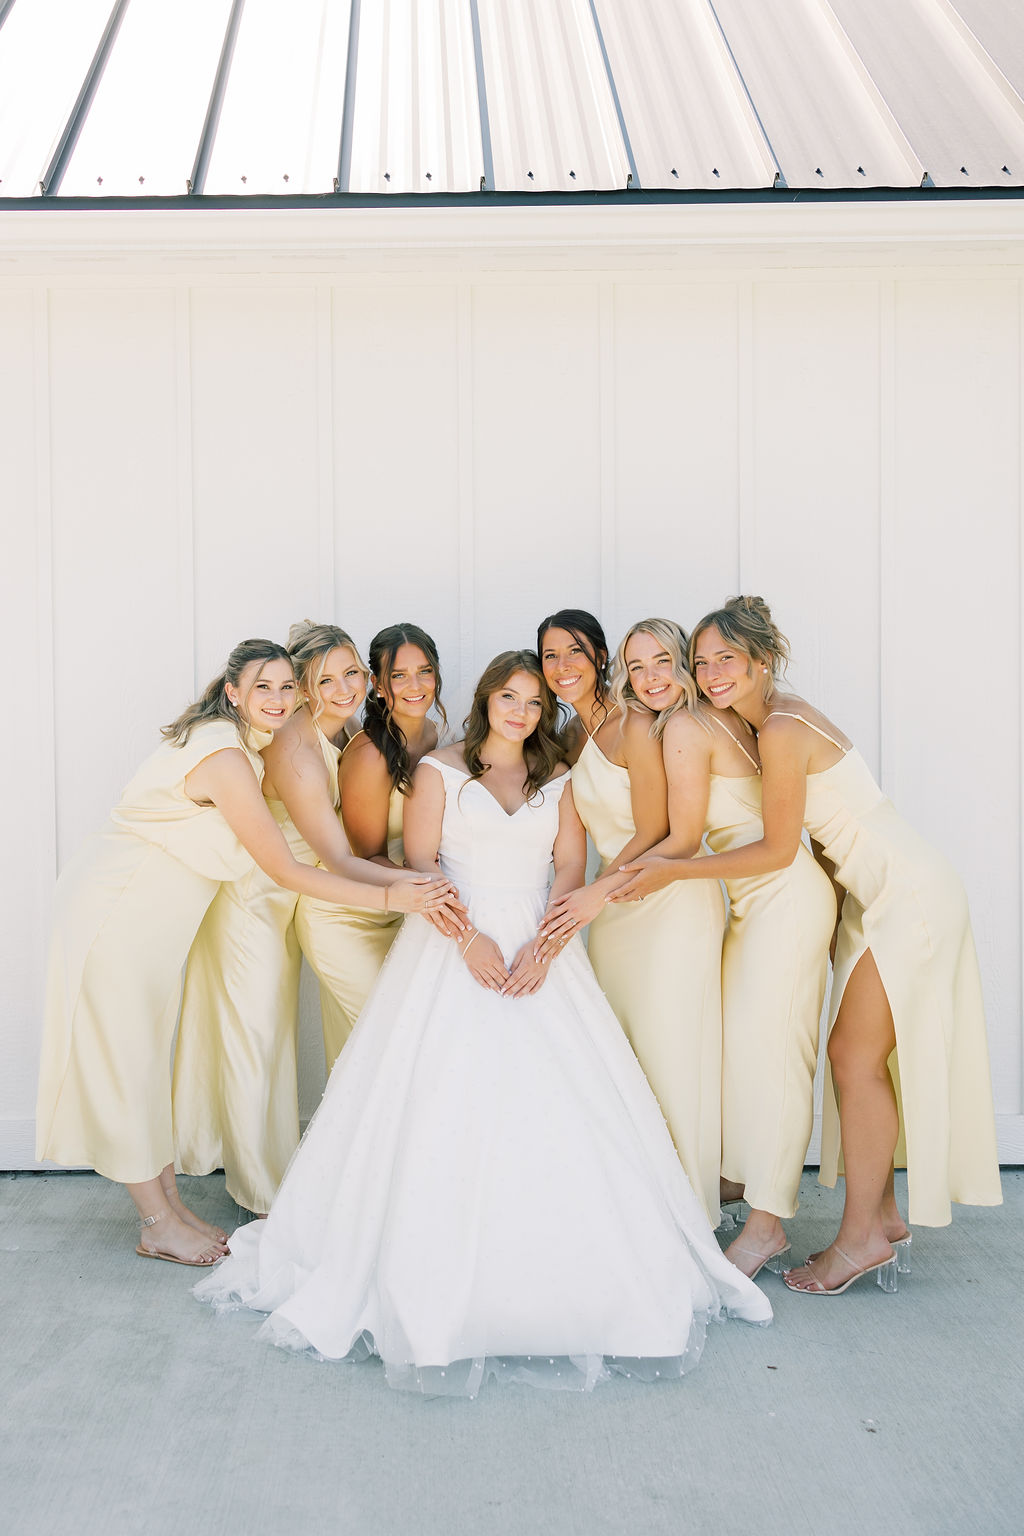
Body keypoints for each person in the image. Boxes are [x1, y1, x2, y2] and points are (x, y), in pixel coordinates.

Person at [194, 651, 771, 1392]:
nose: (523, 711)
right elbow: (423, 863)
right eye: (510, 696)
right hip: (452, 942)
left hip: (537, 945)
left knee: (570, 1104)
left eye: (535, 701)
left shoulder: (556, 780)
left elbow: (570, 867)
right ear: (486, 699)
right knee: (437, 1099)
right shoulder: (438, 770)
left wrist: (547, 944)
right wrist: (467, 941)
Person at [614, 597, 1002, 1295]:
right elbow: (818, 849)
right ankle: (880, 1219)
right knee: (858, 1059)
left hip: (906, 892)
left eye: (725, 659)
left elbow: (774, 848)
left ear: (763, 659)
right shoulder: (765, 722)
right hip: (869, 896)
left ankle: (857, 1242)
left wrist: (673, 867)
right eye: (700, 662)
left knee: (852, 1060)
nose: (709, 674)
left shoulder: (785, 729)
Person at [35, 639, 461, 1266]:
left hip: (153, 920)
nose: (281, 700)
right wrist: (393, 896)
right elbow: (285, 868)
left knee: (145, 1057)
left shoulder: (249, 745)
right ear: (232, 691)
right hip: (117, 910)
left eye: (289, 687)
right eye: (265, 686)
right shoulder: (228, 758)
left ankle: (172, 1208)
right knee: (125, 1058)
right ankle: (156, 1221)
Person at [603, 619, 835, 1278]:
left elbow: (679, 838)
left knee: (776, 1061)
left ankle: (767, 1228)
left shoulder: (683, 727)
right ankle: (740, 1183)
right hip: (753, 903)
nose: (651, 678)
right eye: (636, 666)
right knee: (746, 1055)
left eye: (664, 662)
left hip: (779, 902)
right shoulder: (720, 715)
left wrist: (606, 892)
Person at [172, 623, 371, 1215]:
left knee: (271, 1030)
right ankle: (263, 1191)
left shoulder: (348, 730)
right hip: (255, 895)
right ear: (307, 687)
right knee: (253, 1033)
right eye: (326, 679)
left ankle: (258, 1159)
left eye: (352, 674)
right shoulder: (293, 742)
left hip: (295, 894)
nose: (343, 688)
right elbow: (329, 852)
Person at [536, 612, 725, 1222]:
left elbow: (658, 831)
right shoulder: (572, 738)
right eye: (549, 657)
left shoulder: (636, 725)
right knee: (626, 1060)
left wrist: (597, 893)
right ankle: (639, 1208)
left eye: (574, 653)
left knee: (670, 1054)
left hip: (664, 903)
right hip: (615, 911)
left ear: (597, 659)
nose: (562, 667)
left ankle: (686, 1211)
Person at [296, 623, 448, 1067]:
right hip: (348, 912)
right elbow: (364, 855)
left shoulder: (434, 736)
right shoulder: (369, 754)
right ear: (378, 685)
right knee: (385, 1039)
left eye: (425, 671)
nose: (415, 685)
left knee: (364, 1050)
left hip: (402, 905)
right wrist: (441, 887)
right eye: (398, 676)